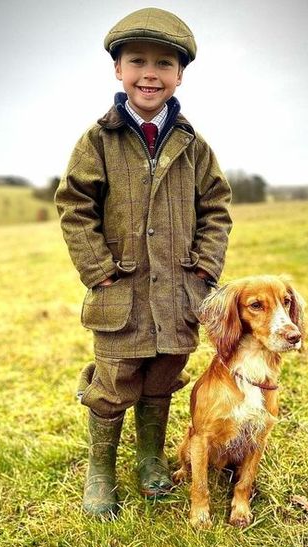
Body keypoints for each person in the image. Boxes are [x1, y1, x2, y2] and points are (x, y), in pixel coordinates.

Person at [55, 7, 233, 518]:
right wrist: (99, 271)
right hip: (121, 293)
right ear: (118, 69)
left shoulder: (194, 146)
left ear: (180, 75)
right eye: (137, 61)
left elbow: (216, 208)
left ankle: (151, 459)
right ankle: (101, 471)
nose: (149, 73)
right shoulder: (99, 140)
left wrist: (204, 268)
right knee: (115, 381)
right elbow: (74, 205)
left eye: (163, 63)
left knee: (163, 375)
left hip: (179, 291)